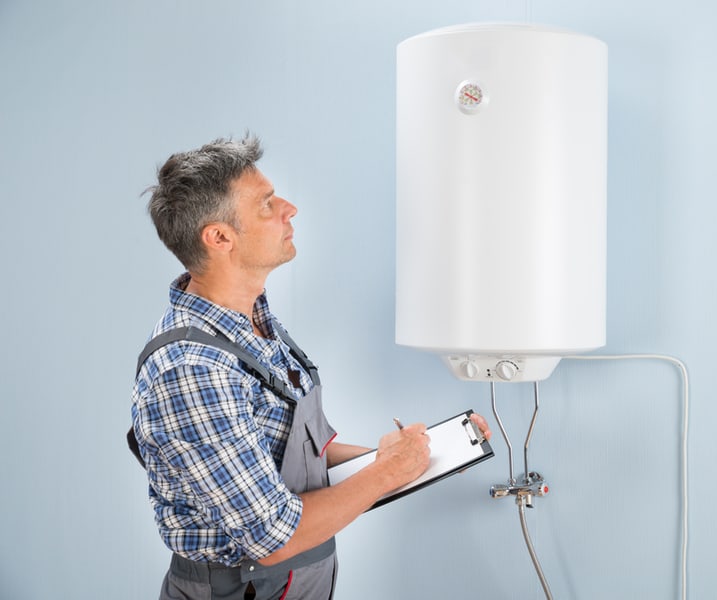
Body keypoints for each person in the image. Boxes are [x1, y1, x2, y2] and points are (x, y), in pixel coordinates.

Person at [131, 134, 491, 600]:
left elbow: (289, 447)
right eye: (266, 204)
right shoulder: (191, 369)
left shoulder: (252, 321)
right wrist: (387, 472)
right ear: (219, 237)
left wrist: (419, 461)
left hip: (294, 583)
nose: (289, 208)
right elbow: (273, 535)